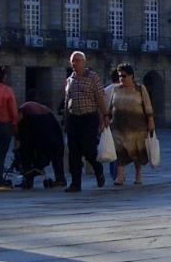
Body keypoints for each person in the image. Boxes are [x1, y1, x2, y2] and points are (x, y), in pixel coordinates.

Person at [63, 51, 109, 192]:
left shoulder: (93, 77)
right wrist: (66, 120)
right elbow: (67, 101)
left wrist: (105, 115)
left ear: (84, 62)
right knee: (74, 152)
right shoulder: (70, 79)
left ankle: (98, 169)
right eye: (72, 61)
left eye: (77, 60)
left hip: (89, 118)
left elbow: (100, 98)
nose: (74, 63)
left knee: (89, 149)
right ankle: (75, 183)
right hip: (74, 119)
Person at [108, 63, 154, 186]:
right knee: (119, 151)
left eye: (124, 76)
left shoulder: (140, 88)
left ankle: (138, 174)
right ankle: (120, 176)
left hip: (137, 127)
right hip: (118, 126)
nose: (121, 78)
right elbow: (110, 106)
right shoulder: (116, 89)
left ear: (131, 76)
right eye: (119, 76)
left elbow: (148, 106)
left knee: (136, 152)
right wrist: (106, 119)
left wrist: (150, 122)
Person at [14, 99, 67, 188]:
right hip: (51, 130)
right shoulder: (28, 113)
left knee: (50, 151)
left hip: (47, 130)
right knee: (55, 152)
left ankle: (30, 178)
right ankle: (60, 179)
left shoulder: (29, 116)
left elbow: (28, 141)